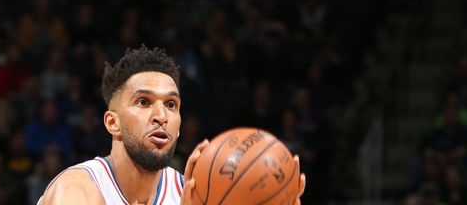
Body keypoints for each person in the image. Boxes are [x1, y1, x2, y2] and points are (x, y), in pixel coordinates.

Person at [36, 46, 306, 204]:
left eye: (171, 105)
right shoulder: (76, 190)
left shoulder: (191, 194)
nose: (161, 116)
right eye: (143, 102)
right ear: (112, 123)